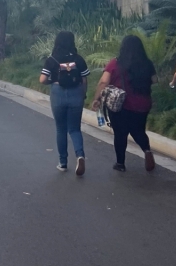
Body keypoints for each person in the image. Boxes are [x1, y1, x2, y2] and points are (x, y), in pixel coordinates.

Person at [92, 34, 157, 172]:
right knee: (138, 130)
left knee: (120, 134)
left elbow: (103, 82)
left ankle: (120, 164)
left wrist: (96, 99)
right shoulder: (147, 63)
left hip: (121, 105)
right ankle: (146, 150)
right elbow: (154, 80)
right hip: (143, 104)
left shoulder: (115, 63)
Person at [40, 30, 90, 175]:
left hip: (58, 94)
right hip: (76, 93)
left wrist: (52, 81)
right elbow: (84, 80)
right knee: (75, 129)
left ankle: (63, 163)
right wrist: (83, 94)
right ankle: (80, 155)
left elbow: (42, 80)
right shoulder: (79, 59)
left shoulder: (52, 59)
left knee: (61, 129)